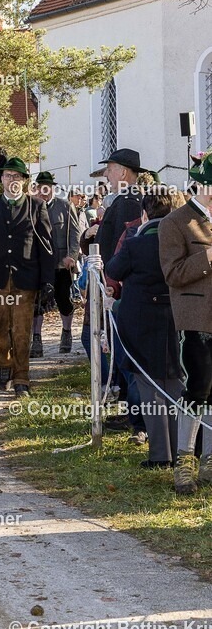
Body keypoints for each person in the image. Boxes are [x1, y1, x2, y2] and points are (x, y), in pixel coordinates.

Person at [106, 188, 184, 468]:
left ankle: (160, 455)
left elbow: (114, 270)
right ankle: (181, 453)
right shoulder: (181, 240)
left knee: (149, 388)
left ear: (144, 213)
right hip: (176, 318)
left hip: (140, 321)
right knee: (175, 384)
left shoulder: (135, 243)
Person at [0, 157, 55, 397]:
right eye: (8, 176)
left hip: (25, 280)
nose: (12, 180)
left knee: (21, 331)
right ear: (1, 179)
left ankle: (21, 379)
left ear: (25, 181)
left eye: (17, 177)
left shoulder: (36, 206)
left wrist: (47, 280)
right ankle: (4, 362)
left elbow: (46, 246)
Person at [159, 154, 212, 494]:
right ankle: (184, 462)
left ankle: (209, 461)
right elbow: (173, 273)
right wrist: (209, 257)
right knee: (198, 389)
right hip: (195, 322)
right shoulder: (175, 222)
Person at [30, 172, 81, 356]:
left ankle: (66, 333)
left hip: (61, 263)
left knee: (63, 299)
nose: (43, 191)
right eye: (40, 187)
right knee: (37, 303)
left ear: (52, 188)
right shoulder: (31, 206)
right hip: (38, 265)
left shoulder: (65, 206)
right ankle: (36, 339)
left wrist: (71, 256)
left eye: (47, 187)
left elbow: (75, 234)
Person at [96, 149, 145, 264]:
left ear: (123, 173)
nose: (105, 174)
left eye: (109, 169)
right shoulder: (124, 199)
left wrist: (112, 277)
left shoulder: (129, 202)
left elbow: (122, 248)